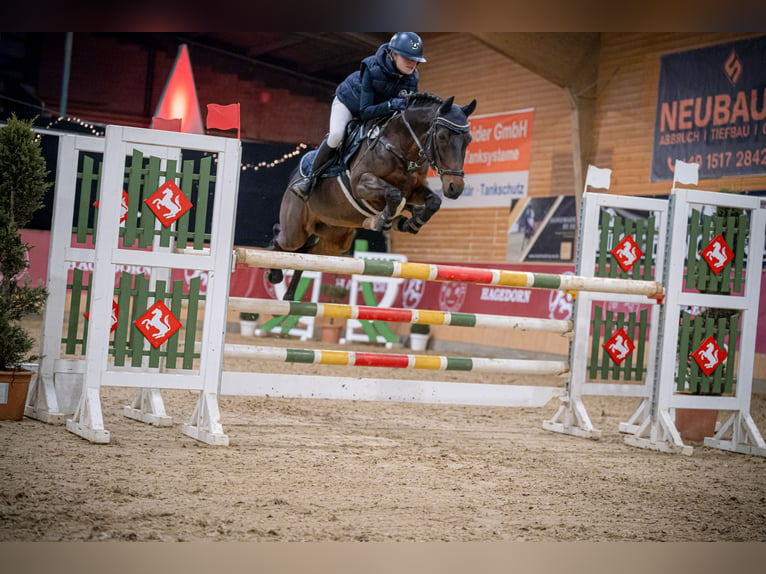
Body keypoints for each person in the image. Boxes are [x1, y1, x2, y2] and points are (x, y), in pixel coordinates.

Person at [291, 32, 427, 201]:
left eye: (415, 59)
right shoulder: (371, 68)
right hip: (349, 104)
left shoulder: (412, 77)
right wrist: (391, 105)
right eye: (407, 57)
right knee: (336, 135)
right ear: (393, 54)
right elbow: (365, 112)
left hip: (379, 110)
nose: (412, 63)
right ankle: (309, 179)